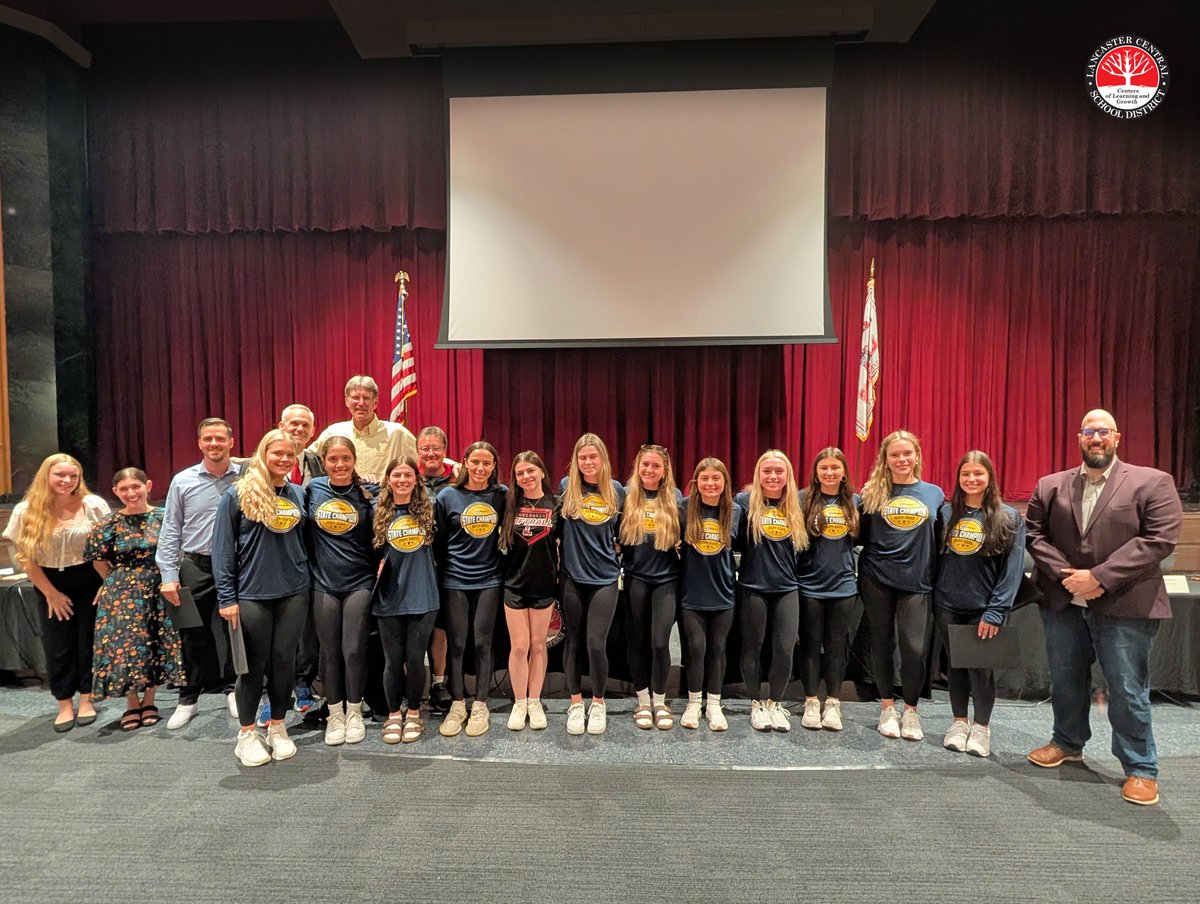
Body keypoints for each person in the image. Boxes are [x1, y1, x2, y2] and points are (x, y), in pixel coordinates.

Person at [1025, 409, 1182, 806]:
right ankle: (1067, 742)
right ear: (1079, 437)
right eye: (1089, 431)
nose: (1096, 438)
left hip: (1126, 604)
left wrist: (1098, 577)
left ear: (1117, 437)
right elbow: (1034, 534)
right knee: (1065, 680)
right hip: (1064, 602)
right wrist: (1069, 576)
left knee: (1127, 688)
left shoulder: (1152, 482)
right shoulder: (1050, 484)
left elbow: (1158, 541)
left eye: (1104, 432)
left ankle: (1140, 768)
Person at [214, 430, 309, 767]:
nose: (283, 460)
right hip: (251, 594)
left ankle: (278, 727)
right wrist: (227, 597)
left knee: (284, 663)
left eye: (289, 455)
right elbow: (222, 550)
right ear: (262, 453)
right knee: (251, 668)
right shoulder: (237, 495)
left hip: (294, 592)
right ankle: (247, 734)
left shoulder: (298, 493)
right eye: (277, 453)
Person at [3, 454, 110, 731]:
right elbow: (25, 558)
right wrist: (50, 593)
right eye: (60, 475)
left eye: (73, 476)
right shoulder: (26, 510)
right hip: (49, 580)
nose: (67, 481)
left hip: (90, 578)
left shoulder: (93, 505)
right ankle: (64, 702)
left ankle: (86, 699)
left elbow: (107, 548)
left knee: (89, 641)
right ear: (46, 476)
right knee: (58, 644)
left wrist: (106, 583)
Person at [934, 451, 1025, 758]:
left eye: (978, 474)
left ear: (990, 478)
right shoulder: (946, 514)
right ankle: (959, 723)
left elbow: (1012, 571)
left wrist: (997, 610)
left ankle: (981, 727)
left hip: (984, 607)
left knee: (980, 670)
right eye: (965, 474)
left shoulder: (1009, 517)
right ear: (958, 479)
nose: (971, 479)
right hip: (947, 603)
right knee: (955, 666)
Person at [858, 430, 944, 741]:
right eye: (894, 455)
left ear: (917, 456)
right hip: (877, 578)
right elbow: (863, 536)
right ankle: (886, 708)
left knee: (913, 648)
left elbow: (939, 539)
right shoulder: (871, 494)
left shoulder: (933, 493)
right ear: (885, 459)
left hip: (917, 582)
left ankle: (910, 710)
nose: (901, 459)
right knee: (882, 644)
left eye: (907, 453)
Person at [156, 418, 240, 729]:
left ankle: (235, 689)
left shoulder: (245, 477)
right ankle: (189, 697)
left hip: (236, 566)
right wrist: (168, 573)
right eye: (208, 439)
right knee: (191, 633)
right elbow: (170, 530)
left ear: (231, 441)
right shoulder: (183, 481)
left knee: (236, 631)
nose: (214, 444)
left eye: (220, 438)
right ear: (200, 443)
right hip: (195, 565)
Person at [85, 468, 183, 731]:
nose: (131, 493)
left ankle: (150, 699)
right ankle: (131, 703)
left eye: (136, 487)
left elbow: (175, 549)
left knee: (155, 642)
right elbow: (97, 559)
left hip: (157, 586)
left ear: (148, 485)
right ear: (115, 491)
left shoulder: (164, 517)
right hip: (122, 592)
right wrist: (112, 582)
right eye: (124, 489)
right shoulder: (107, 523)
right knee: (126, 648)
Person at [306, 436, 377, 746]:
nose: (339, 464)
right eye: (333, 459)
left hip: (359, 581)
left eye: (345, 458)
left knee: (354, 649)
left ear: (354, 460)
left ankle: (354, 711)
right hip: (323, 583)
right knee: (330, 652)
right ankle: (335, 714)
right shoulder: (312, 490)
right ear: (324, 461)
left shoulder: (368, 493)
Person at [434, 441, 507, 737]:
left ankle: (480, 704)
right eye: (475, 462)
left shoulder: (502, 495)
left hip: (489, 579)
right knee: (458, 643)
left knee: (482, 642)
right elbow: (439, 542)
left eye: (486, 463)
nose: (480, 468)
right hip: (455, 580)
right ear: (464, 462)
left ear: (493, 466)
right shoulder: (448, 495)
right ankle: (457, 703)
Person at [558, 433, 627, 735]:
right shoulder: (566, 488)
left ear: (602, 459)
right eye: (582, 457)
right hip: (572, 578)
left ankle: (598, 703)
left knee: (596, 643)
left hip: (604, 579)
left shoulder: (616, 491)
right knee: (573, 642)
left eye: (592, 457)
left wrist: (620, 549)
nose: (587, 462)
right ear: (576, 460)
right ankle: (575, 704)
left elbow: (626, 533)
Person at [736, 450, 808, 732]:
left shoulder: (798, 505)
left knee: (784, 649)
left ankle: (775, 702)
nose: (773, 476)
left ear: (787, 474)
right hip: (753, 587)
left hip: (787, 589)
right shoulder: (744, 503)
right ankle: (756, 703)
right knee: (752, 648)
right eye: (767, 471)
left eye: (779, 471)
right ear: (758, 474)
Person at [373, 457, 440, 744]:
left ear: (416, 479)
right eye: (396, 475)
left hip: (423, 594)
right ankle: (392, 714)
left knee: (415, 658)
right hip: (389, 595)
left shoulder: (430, 509)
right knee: (392, 659)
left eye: (408, 475)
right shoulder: (376, 510)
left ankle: (413, 712)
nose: (402, 480)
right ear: (388, 479)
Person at [796, 448, 861, 732]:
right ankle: (811, 700)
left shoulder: (854, 502)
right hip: (810, 585)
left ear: (844, 472)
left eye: (835, 467)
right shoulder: (802, 499)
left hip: (843, 586)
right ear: (816, 471)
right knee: (810, 645)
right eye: (824, 467)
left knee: (836, 646)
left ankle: (833, 701)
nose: (830, 472)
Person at [677, 457, 744, 732]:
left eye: (716, 478)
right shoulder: (684, 509)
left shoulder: (736, 511)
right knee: (695, 648)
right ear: (696, 483)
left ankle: (714, 704)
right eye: (704, 478)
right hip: (691, 594)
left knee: (717, 649)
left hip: (723, 594)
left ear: (724, 482)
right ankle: (694, 702)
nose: (710, 483)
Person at [620, 444, 682, 730]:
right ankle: (642, 700)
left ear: (664, 470)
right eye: (645, 464)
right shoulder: (625, 495)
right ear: (638, 466)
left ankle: (660, 700)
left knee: (659, 642)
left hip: (666, 580)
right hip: (635, 578)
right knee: (638, 642)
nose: (649, 470)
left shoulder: (675, 498)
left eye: (656, 465)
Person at [498, 451, 561, 731]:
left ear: (542, 472)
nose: (526, 476)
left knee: (538, 645)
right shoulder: (508, 503)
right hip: (514, 584)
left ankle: (534, 701)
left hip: (544, 585)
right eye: (520, 473)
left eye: (531, 471)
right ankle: (519, 702)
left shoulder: (556, 504)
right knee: (519, 646)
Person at [279, 403, 324, 715]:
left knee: (307, 627)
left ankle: (303, 684)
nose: (298, 429)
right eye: (293, 424)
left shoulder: (317, 463)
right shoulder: (259, 465)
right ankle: (274, 692)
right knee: (278, 629)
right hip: (272, 560)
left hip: (309, 556)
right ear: (281, 425)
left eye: (304, 426)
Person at [309, 375, 417, 484]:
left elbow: (421, 465)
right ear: (346, 401)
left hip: (384, 499)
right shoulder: (333, 433)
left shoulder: (397, 434)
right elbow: (307, 459)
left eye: (366, 398)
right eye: (355, 398)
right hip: (343, 499)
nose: (361, 403)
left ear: (375, 403)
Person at [417, 424, 455, 712]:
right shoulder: (407, 477)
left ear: (445, 450)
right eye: (425, 448)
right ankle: (414, 683)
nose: (431, 453)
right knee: (415, 627)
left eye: (436, 448)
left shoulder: (458, 479)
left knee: (441, 627)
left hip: (448, 563)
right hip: (413, 564)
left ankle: (439, 683)